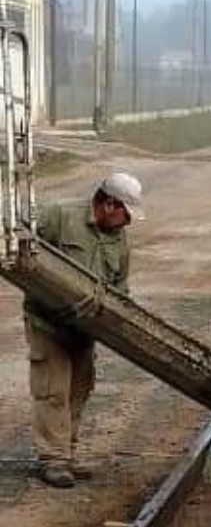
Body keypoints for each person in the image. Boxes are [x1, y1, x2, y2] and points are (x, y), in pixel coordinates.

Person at [24, 172, 144, 488]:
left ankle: (67, 453)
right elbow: (19, 241)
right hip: (47, 322)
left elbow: (121, 287)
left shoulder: (119, 238)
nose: (127, 222)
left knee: (79, 388)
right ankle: (52, 459)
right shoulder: (60, 216)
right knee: (54, 390)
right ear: (108, 204)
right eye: (125, 213)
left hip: (87, 328)